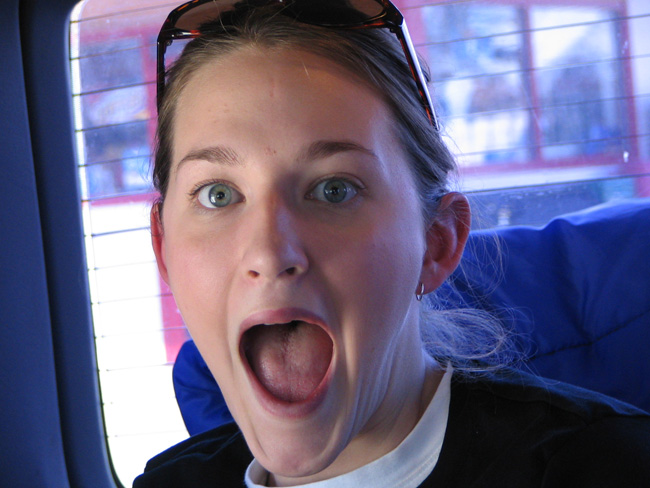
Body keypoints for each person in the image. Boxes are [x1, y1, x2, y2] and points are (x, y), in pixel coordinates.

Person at [134, 1, 650, 486]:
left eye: (334, 190)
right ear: (163, 250)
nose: (270, 255)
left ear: (437, 242)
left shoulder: (606, 466)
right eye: (218, 195)